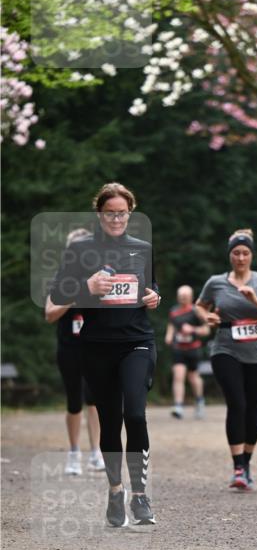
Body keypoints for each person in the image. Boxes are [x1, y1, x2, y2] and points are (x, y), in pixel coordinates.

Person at [49, 182, 160, 528]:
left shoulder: (142, 248)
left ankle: (140, 496)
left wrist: (155, 296)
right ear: (100, 214)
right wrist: (87, 288)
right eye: (110, 213)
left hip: (137, 340)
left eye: (122, 213)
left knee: (136, 415)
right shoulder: (81, 250)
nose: (116, 218)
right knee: (110, 422)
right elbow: (58, 294)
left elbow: (152, 287)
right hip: (97, 345)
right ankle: (116, 491)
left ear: (130, 213)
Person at [195, 229, 257, 490]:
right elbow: (201, 306)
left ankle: (246, 463)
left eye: (245, 253)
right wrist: (206, 317)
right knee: (237, 403)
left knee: (253, 407)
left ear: (251, 256)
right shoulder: (216, 282)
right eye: (236, 253)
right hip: (225, 348)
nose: (241, 257)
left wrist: (255, 299)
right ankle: (237, 467)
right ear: (230, 255)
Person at [44, 227, 105, 475]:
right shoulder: (62, 280)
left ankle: (96, 452)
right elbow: (49, 314)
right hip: (69, 347)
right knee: (74, 401)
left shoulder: (101, 280)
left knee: (95, 400)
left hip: (96, 347)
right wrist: (79, 291)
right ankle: (73, 453)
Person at [165, 285, 209, 419]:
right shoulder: (173, 311)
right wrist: (169, 335)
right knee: (178, 376)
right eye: (181, 296)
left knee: (193, 377)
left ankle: (200, 401)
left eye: (186, 296)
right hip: (179, 349)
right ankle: (178, 406)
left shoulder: (196, 311)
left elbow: (206, 330)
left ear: (191, 297)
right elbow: (172, 325)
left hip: (193, 349)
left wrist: (193, 330)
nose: (183, 298)